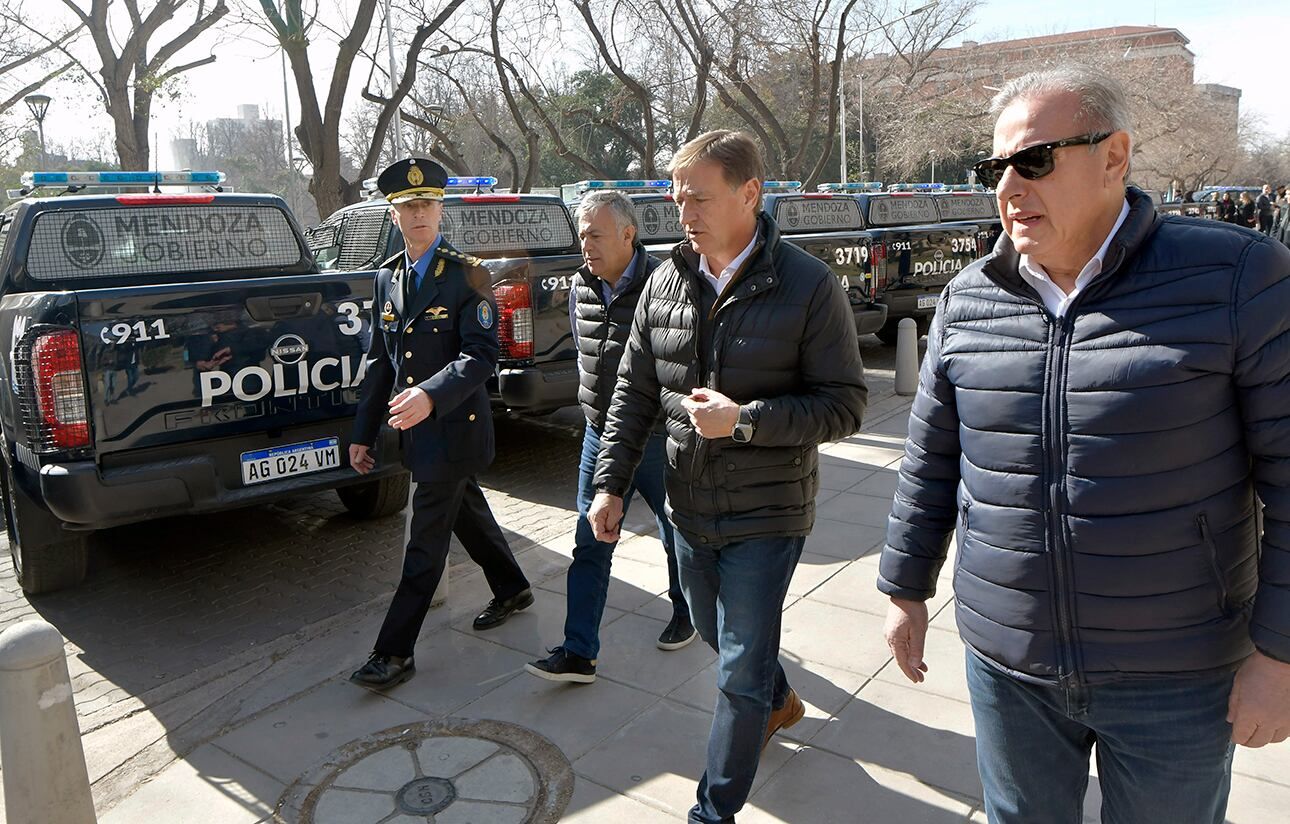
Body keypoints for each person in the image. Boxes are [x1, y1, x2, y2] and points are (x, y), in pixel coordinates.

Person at [879, 65, 1290, 824]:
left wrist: (1279, 656)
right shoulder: (969, 299)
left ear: (1114, 157)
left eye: (1034, 160)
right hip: (1010, 666)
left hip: (1177, 672)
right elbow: (931, 459)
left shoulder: (1237, 276)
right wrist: (905, 588)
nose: (1008, 185)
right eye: (994, 167)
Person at [589, 130, 868, 824]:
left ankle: (712, 811)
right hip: (688, 509)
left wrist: (746, 420)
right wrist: (610, 484)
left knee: (737, 672)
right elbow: (632, 395)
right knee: (719, 637)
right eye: (678, 194)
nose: (685, 209)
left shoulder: (806, 284)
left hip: (767, 514)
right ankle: (781, 700)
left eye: (700, 195)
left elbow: (846, 405)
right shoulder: (663, 280)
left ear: (750, 193)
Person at [348, 157, 533, 690]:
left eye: (426, 204)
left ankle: (394, 652)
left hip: (452, 427)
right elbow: (382, 362)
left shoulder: (466, 274)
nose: (418, 214)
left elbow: (482, 355)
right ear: (394, 214)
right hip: (415, 430)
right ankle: (513, 587)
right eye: (407, 206)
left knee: (426, 542)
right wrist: (363, 434)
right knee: (464, 510)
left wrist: (430, 395)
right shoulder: (388, 278)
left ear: (441, 208)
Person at [525, 191, 694, 685]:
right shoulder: (581, 287)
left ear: (627, 234)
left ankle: (687, 611)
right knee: (590, 541)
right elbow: (586, 356)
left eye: (595, 235)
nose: (586, 245)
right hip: (600, 437)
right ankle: (579, 652)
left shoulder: (668, 285)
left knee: (676, 534)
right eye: (582, 234)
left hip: (656, 439)